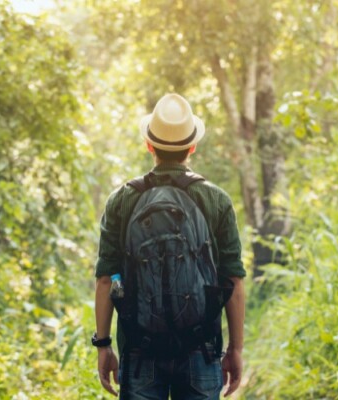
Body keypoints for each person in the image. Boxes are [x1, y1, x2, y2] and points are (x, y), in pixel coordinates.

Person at [93, 93, 246, 399]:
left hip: (140, 352)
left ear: (149, 145)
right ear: (193, 146)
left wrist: (104, 345)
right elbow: (233, 280)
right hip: (200, 351)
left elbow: (106, 279)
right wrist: (235, 349)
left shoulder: (122, 200)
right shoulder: (216, 200)